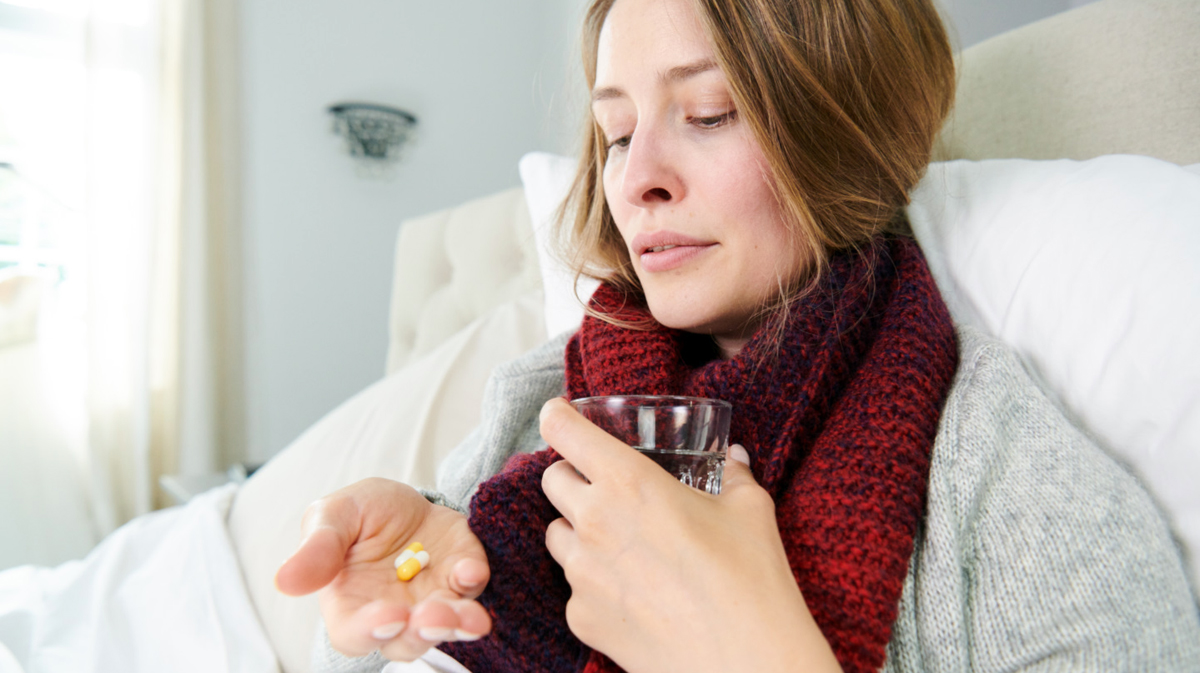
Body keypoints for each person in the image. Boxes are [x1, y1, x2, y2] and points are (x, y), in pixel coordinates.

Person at [274, 0, 1200, 671]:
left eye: (709, 113)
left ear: (846, 132)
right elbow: (403, 625)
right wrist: (377, 621)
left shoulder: (1013, 487)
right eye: (616, 133)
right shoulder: (537, 399)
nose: (637, 177)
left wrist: (754, 650)